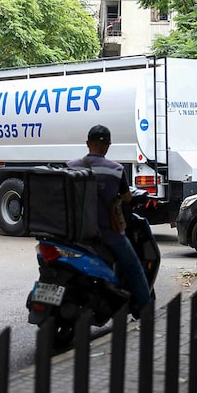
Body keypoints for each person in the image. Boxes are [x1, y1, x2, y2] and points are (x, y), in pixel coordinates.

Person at [67, 125, 151, 313]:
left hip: (74, 233)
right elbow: (128, 198)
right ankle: (146, 311)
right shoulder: (116, 170)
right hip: (108, 234)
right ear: (108, 146)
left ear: (88, 144)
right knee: (134, 267)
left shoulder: (71, 167)